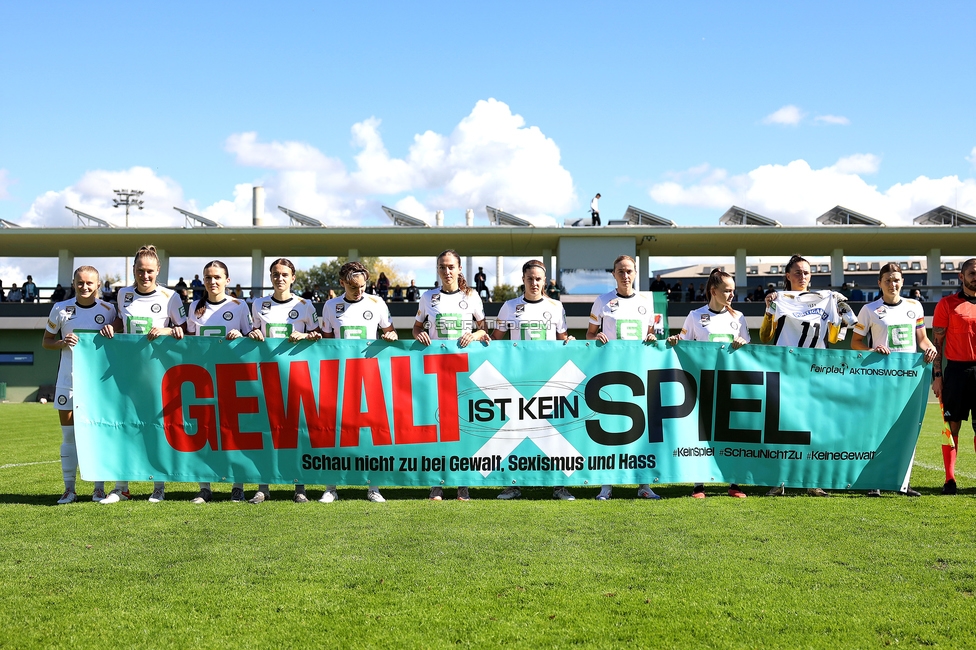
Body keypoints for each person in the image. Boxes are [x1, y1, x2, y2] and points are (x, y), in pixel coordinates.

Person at [100, 245, 187, 504]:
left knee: (155, 427)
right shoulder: (123, 294)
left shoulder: (171, 297)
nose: (145, 275)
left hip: (157, 373)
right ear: (133, 270)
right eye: (140, 271)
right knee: (122, 425)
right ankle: (121, 487)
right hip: (126, 372)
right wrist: (111, 327)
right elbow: (120, 322)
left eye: (150, 271)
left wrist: (167, 331)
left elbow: (184, 332)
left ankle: (158, 485)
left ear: (158, 270)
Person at [760, 254, 853, 497]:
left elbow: (832, 339)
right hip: (787, 369)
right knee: (783, 425)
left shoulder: (827, 300)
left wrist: (841, 320)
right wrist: (769, 311)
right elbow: (765, 337)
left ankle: (812, 481)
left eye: (807, 272)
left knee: (814, 426)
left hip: (815, 370)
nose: (803, 276)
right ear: (787, 276)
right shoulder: (779, 300)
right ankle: (779, 479)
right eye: (798, 272)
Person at [493, 259, 577, 501]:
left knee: (554, 433)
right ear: (523, 280)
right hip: (518, 380)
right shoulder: (509, 307)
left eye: (538, 279)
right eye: (530, 278)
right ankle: (512, 485)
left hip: (550, 380)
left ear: (545, 281)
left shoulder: (556, 306)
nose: (534, 283)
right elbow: (496, 339)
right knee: (513, 433)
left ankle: (559, 486)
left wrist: (569, 341)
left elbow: (563, 338)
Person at [851, 262, 937, 497]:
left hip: (909, 380)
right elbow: (855, 343)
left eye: (896, 279)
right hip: (880, 378)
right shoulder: (869, 310)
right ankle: (873, 481)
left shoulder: (915, 306)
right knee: (877, 428)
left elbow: (922, 339)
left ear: (902, 282)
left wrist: (930, 349)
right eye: (887, 280)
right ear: (879, 283)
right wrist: (873, 349)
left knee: (907, 430)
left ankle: (903, 483)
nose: (892, 283)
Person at [318, 261, 398, 504]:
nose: (360, 291)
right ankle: (331, 487)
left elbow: (389, 331)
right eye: (354, 287)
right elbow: (326, 342)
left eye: (363, 286)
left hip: (370, 376)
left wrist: (391, 335)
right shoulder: (331, 306)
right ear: (342, 283)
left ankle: (374, 486)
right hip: (340, 377)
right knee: (336, 432)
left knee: (372, 433)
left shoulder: (377, 303)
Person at [413, 249, 490, 501]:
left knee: (463, 427)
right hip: (435, 372)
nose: (446, 271)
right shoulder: (428, 297)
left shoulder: (471, 296)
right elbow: (416, 327)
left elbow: (483, 329)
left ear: (459, 270)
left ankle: (462, 483)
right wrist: (419, 334)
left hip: (465, 372)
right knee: (437, 426)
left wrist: (474, 335)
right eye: (442, 267)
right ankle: (436, 483)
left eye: (450, 267)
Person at [667, 269, 750, 499]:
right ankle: (698, 485)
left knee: (730, 433)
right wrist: (674, 340)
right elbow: (682, 345)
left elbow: (750, 351)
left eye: (733, 290)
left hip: (730, 384)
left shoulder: (739, 317)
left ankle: (734, 484)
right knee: (701, 434)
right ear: (713, 291)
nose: (732, 295)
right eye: (727, 291)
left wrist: (744, 343)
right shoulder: (695, 316)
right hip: (702, 384)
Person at [587, 255, 664, 501]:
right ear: (613, 274)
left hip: (639, 375)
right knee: (610, 431)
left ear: (635, 273)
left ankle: (643, 485)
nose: (625, 275)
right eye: (620, 271)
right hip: (610, 375)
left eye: (629, 271)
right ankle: (607, 486)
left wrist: (652, 339)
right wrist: (596, 338)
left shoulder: (646, 302)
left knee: (641, 430)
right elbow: (589, 335)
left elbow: (651, 334)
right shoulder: (602, 301)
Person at [247, 258, 322, 504]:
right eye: (276, 274)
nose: (280, 278)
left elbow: (318, 339)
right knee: (266, 432)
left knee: (297, 433)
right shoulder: (258, 304)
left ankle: (299, 486)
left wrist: (307, 335)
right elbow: (250, 336)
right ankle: (263, 486)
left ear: (293, 278)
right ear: (271, 277)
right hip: (265, 376)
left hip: (296, 378)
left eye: (285, 274)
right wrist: (253, 333)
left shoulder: (305, 305)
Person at [42, 265, 117, 504]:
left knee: (98, 433)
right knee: (69, 436)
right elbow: (46, 341)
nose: (85, 287)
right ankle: (69, 489)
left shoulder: (109, 310)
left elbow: (120, 333)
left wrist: (113, 328)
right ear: (74, 284)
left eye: (90, 283)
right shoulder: (60, 309)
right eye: (80, 283)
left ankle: (98, 488)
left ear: (98, 285)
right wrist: (62, 342)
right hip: (68, 381)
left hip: (99, 384)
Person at [185, 260, 252, 504]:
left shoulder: (239, 305)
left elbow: (252, 340)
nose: (212, 282)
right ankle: (205, 486)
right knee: (203, 431)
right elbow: (187, 343)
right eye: (208, 277)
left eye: (217, 277)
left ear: (227, 279)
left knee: (233, 432)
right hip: (202, 378)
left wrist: (241, 336)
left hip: (230, 377)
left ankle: (238, 485)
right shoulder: (194, 306)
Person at [931, 258, 976, 495]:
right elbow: (937, 343)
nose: (975, 276)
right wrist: (937, 375)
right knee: (952, 427)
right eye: (971, 273)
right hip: (957, 372)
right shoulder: (947, 304)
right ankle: (950, 479)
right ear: (961, 276)